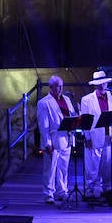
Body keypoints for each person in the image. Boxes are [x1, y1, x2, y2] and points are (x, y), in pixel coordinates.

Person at [79, 71, 112, 197]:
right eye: (99, 84)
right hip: (94, 136)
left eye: (104, 83)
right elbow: (85, 120)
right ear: (95, 85)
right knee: (92, 166)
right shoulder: (86, 100)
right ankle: (89, 190)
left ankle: (106, 189)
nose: (102, 86)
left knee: (107, 165)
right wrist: (87, 137)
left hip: (110, 135)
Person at [36, 76, 75, 204]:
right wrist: (47, 143)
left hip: (67, 138)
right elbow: (43, 126)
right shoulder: (44, 102)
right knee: (50, 169)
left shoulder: (67, 99)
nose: (59, 89)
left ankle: (62, 191)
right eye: (57, 86)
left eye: (61, 86)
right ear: (51, 87)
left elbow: (72, 115)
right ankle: (48, 193)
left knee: (63, 168)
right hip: (53, 139)